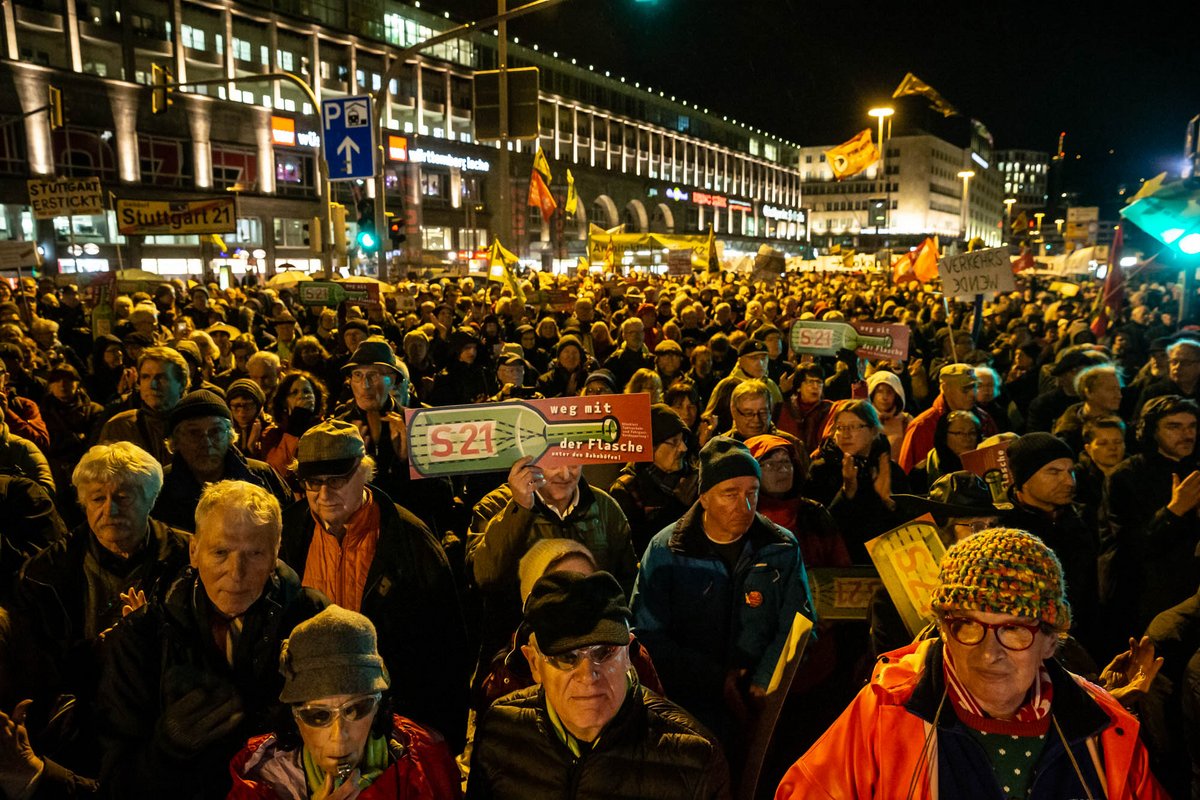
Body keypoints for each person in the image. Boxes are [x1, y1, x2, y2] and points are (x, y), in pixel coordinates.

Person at [775, 528, 1168, 800]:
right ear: (944, 628)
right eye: (967, 625)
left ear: (1050, 640)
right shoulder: (885, 714)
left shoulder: (1108, 732)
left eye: (1013, 629)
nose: (988, 652)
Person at [97, 480, 328, 799]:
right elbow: (115, 780)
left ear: (275, 554)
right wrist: (165, 749)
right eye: (221, 552)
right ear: (194, 551)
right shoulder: (142, 637)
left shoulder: (313, 620)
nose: (236, 572)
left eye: (255, 554)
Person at [279, 420, 469, 750]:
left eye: (337, 479)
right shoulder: (287, 533)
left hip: (393, 724)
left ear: (364, 473)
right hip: (309, 725)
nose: (324, 494)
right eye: (313, 482)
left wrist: (442, 737)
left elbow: (447, 649)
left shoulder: (410, 540)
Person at [468, 570, 731, 800]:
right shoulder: (500, 732)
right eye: (565, 657)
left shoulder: (694, 758)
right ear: (534, 664)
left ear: (628, 654)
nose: (587, 674)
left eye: (603, 652)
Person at [631, 436, 816, 739]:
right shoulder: (668, 550)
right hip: (689, 706)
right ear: (704, 497)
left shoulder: (779, 546)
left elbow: (799, 621)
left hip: (762, 700)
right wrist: (716, 679)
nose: (744, 506)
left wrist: (766, 678)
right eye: (730, 493)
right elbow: (647, 635)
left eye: (752, 492)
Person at [227, 605, 462, 799]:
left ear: (379, 707)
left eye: (357, 709)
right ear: (294, 716)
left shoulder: (426, 765)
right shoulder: (258, 781)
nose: (339, 736)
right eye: (318, 715)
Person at [1102, 394, 1200, 652]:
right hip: (1150, 600)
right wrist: (1174, 511)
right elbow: (1129, 548)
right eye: (1174, 427)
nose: (1186, 434)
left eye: (1191, 426)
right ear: (1152, 431)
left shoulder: (1196, 469)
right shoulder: (1126, 476)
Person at [153, 390, 292, 533]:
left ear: (230, 436)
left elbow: (289, 531)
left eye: (216, 432)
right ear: (176, 440)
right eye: (194, 433)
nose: (206, 442)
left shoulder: (261, 476)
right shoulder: (159, 487)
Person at [807, 400, 910, 562]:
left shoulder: (890, 471)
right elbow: (818, 531)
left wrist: (888, 502)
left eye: (854, 426)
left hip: (884, 563)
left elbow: (906, 529)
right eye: (840, 427)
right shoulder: (821, 470)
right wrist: (846, 493)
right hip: (838, 565)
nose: (846, 434)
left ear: (873, 430)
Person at [608, 404, 698, 555]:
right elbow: (638, 547)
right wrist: (678, 506)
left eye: (684, 440)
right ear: (650, 447)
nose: (683, 448)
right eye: (674, 442)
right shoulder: (627, 490)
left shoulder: (693, 480)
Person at [98, 346, 190, 466]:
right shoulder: (119, 427)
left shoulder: (197, 426)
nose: (152, 384)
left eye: (161, 377)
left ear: (182, 384)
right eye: (145, 377)